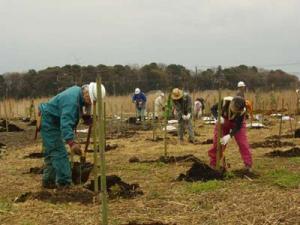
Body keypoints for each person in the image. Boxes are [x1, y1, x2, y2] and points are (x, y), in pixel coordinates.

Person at [38, 82, 105, 189]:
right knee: (59, 153)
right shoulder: (71, 101)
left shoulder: (79, 93)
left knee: (52, 152)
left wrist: (86, 117)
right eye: (90, 101)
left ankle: (48, 181)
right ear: (87, 94)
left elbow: (81, 107)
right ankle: (65, 184)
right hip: (49, 122)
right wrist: (71, 143)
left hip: (53, 119)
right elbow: (66, 123)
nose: (90, 104)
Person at [208, 96, 252, 171]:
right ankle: (213, 163)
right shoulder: (224, 102)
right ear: (231, 103)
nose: (234, 111)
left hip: (236, 124)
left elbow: (238, 126)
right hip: (223, 122)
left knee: (242, 143)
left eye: (236, 111)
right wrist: (217, 117)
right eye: (233, 108)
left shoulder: (242, 111)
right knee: (218, 143)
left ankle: (248, 164)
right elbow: (213, 109)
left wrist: (229, 136)